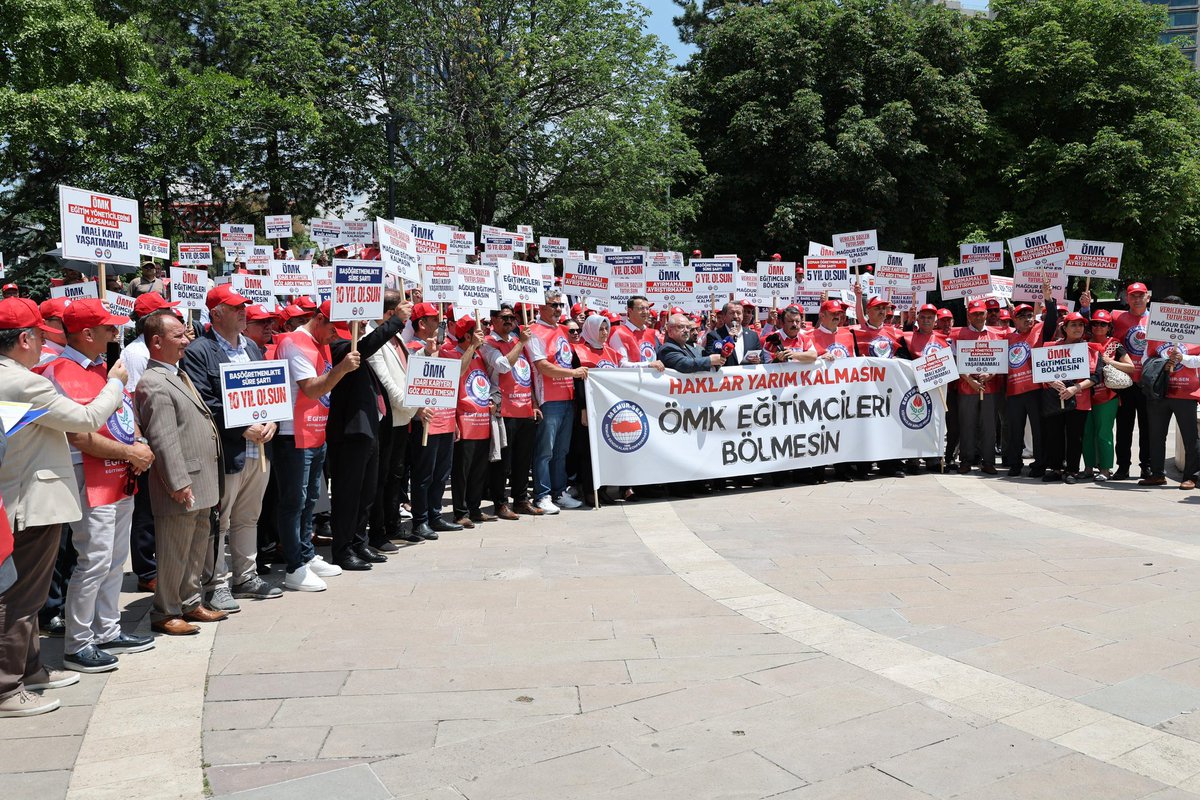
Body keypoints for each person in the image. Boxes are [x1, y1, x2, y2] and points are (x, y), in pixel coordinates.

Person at [0, 298, 127, 717]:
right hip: (32, 502)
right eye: (39, 336)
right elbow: (87, 419)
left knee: (30, 597)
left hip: (25, 497)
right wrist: (116, 382)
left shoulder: (14, 377)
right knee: (21, 599)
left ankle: (31, 670)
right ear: (24, 339)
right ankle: (7, 686)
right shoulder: (23, 382)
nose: (43, 344)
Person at [35, 300, 155, 673]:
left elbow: (122, 414)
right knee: (94, 559)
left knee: (115, 559)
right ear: (86, 334)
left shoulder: (106, 368)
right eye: (108, 328)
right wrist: (133, 451)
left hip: (118, 473)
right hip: (89, 476)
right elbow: (80, 436)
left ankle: (107, 629)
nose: (115, 333)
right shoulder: (59, 371)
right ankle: (79, 643)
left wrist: (139, 445)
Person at [181, 285, 281, 612]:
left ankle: (246, 576)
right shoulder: (199, 351)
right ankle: (216, 583)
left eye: (244, 307)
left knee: (248, 516)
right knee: (218, 521)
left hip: (258, 448)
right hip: (226, 450)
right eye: (236, 308)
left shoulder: (252, 347)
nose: (244, 312)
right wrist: (242, 427)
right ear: (216, 313)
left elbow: (269, 391)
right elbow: (204, 402)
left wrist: (273, 422)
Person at [135, 312, 227, 635]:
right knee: (174, 549)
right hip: (182, 482)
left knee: (196, 546)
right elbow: (163, 438)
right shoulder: (153, 382)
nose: (186, 341)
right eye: (178, 336)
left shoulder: (177, 374)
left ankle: (190, 600)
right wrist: (177, 482)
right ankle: (166, 611)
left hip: (200, 477)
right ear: (156, 342)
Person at [272, 301, 360, 591]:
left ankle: (306, 555)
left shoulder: (318, 342)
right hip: (293, 435)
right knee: (294, 501)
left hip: (314, 432)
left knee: (310, 499)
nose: (336, 337)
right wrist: (343, 370)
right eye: (334, 329)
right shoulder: (296, 343)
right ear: (320, 319)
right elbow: (311, 388)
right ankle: (295, 566)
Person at [325, 298, 408, 569]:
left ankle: (359, 542)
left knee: (366, 493)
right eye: (355, 320)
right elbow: (367, 346)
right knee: (348, 494)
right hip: (350, 433)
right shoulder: (340, 348)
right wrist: (396, 320)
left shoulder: (356, 345)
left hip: (370, 429)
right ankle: (343, 549)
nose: (361, 324)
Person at [365, 291, 422, 546]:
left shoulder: (396, 335)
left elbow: (405, 371)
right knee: (381, 478)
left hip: (403, 417)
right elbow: (386, 381)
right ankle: (378, 532)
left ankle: (393, 524)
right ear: (390, 313)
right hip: (388, 417)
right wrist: (412, 407)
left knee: (396, 476)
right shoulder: (370, 335)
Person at [528, 289, 588, 514]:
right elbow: (542, 366)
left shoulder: (563, 330)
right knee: (545, 451)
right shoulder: (534, 332)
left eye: (560, 306)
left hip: (567, 398)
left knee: (561, 451)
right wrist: (573, 374)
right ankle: (542, 495)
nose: (557, 310)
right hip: (548, 399)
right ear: (540, 307)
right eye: (553, 305)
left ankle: (559, 491)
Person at [405, 303, 458, 538]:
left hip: (444, 418)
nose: (440, 324)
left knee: (441, 473)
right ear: (421, 323)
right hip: (424, 420)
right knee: (423, 474)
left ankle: (435, 515)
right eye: (434, 319)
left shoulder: (444, 348)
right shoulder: (409, 348)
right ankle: (420, 520)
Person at [483, 304, 541, 520]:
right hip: (504, 410)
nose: (509, 321)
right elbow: (503, 367)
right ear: (494, 320)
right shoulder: (489, 344)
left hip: (525, 408)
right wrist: (522, 343)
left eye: (512, 317)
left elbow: (528, 377)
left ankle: (521, 500)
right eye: (504, 317)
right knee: (503, 464)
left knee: (523, 461)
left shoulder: (518, 342)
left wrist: (534, 403)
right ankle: (500, 504)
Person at [1141, 295, 1200, 489]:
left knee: (1190, 437)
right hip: (1160, 392)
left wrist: (1183, 358)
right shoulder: (1154, 333)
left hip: (1186, 392)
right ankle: (1157, 474)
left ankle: (1191, 476)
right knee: (1156, 435)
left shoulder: (1195, 332)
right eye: (1167, 309)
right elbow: (1145, 361)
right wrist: (1162, 364)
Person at [1004, 278, 1056, 478]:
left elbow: (1051, 319)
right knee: (1015, 430)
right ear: (1014, 319)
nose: (1027, 318)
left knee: (1038, 430)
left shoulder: (1039, 331)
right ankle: (1014, 463)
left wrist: (1048, 297)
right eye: (1022, 316)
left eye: (1029, 315)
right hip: (1014, 392)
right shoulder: (1007, 337)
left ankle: (1040, 464)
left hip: (1035, 390)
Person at [444, 317, 493, 529]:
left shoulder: (480, 355)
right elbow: (456, 374)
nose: (483, 334)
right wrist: (472, 346)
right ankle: (460, 512)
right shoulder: (449, 352)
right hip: (464, 421)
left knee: (478, 470)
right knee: (461, 472)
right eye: (477, 332)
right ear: (466, 335)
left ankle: (474, 508)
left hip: (482, 420)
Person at [1040, 312, 1100, 484]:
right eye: (1073, 325)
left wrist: (1075, 388)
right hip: (1055, 397)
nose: (1078, 328)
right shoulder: (1050, 347)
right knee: (1054, 434)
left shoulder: (1090, 349)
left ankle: (1072, 470)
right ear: (1064, 328)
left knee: (1075, 437)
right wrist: (1051, 381)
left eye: (1081, 325)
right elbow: (1041, 370)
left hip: (1079, 399)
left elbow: (1096, 377)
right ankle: (1056, 468)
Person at [1106, 282, 1152, 480]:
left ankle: (1147, 466)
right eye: (1133, 295)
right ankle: (1123, 466)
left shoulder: (1156, 319)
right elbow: (1101, 332)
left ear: (1148, 297)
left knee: (1148, 428)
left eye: (1141, 295)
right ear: (1127, 297)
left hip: (1148, 382)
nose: (1137, 299)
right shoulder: (1118, 317)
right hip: (1125, 382)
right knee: (1124, 427)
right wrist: (1084, 305)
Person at [952, 299, 1003, 475]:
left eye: (981, 313)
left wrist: (991, 375)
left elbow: (1000, 362)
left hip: (989, 388)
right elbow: (954, 362)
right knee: (967, 425)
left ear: (986, 314)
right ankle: (966, 460)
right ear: (969, 316)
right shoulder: (959, 335)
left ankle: (988, 461)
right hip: (967, 388)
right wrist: (969, 380)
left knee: (989, 426)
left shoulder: (996, 335)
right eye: (975, 314)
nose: (979, 316)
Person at [1083, 309, 1133, 482]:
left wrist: (1110, 361)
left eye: (1103, 324)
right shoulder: (1083, 343)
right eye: (1095, 323)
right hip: (1085, 394)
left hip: (1108, 396)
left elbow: (1131, 367)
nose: (1098, 327)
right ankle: (1088, 467)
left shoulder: (1115, 344)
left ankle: (1105, 469)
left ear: (1109, 327)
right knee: (1087, 433)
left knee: (1104, 433)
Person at [659, 313, 725, 372]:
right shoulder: (667, 348)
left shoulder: (691, 347)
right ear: (670, 331)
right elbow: (684, 364)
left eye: (688, 327)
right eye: (681, 327)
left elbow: (699, 362)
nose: (686, 330)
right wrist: (710, 360)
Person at [703, 301, 763, 365]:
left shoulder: (753, 336)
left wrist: (758, 360)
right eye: (731, 313)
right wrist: (729, 340)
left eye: (738, 313)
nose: (735, 316)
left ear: (742, 316)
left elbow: (762, 358)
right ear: (724, 316)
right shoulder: (714, 336)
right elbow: (711, 361)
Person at [607, 295, 660, 367]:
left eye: (647, 308)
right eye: (641, 308)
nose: (646, 312)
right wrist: (648, 365)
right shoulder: (619, 333)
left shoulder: (651, 333)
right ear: (630, 311)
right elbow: (621, 364)